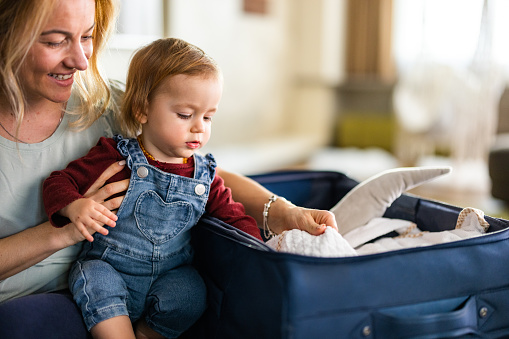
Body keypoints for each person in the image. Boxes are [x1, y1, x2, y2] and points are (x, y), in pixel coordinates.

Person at [0, 0, 337, 338]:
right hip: (72, 288)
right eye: (55, 40)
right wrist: (66, 226)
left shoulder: (108, 104)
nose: (81, 61)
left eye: (87, 36)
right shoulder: (117, 145)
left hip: (157, 285)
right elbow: (62, 184)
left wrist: (283, 214)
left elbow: (204, 181)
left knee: (197, 294)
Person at [43, 37, 263, 339]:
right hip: (110, 270)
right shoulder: (115, 156)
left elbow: (233, 217)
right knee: (94, 281)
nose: (199, 126)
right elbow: (58, 182)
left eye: (208, 116)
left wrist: (262, 249)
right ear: (142, 110)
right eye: (185, 115)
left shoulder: (204, 175)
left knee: (192, 291)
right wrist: (75, 206)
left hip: (169, 277)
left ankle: (147, 333)